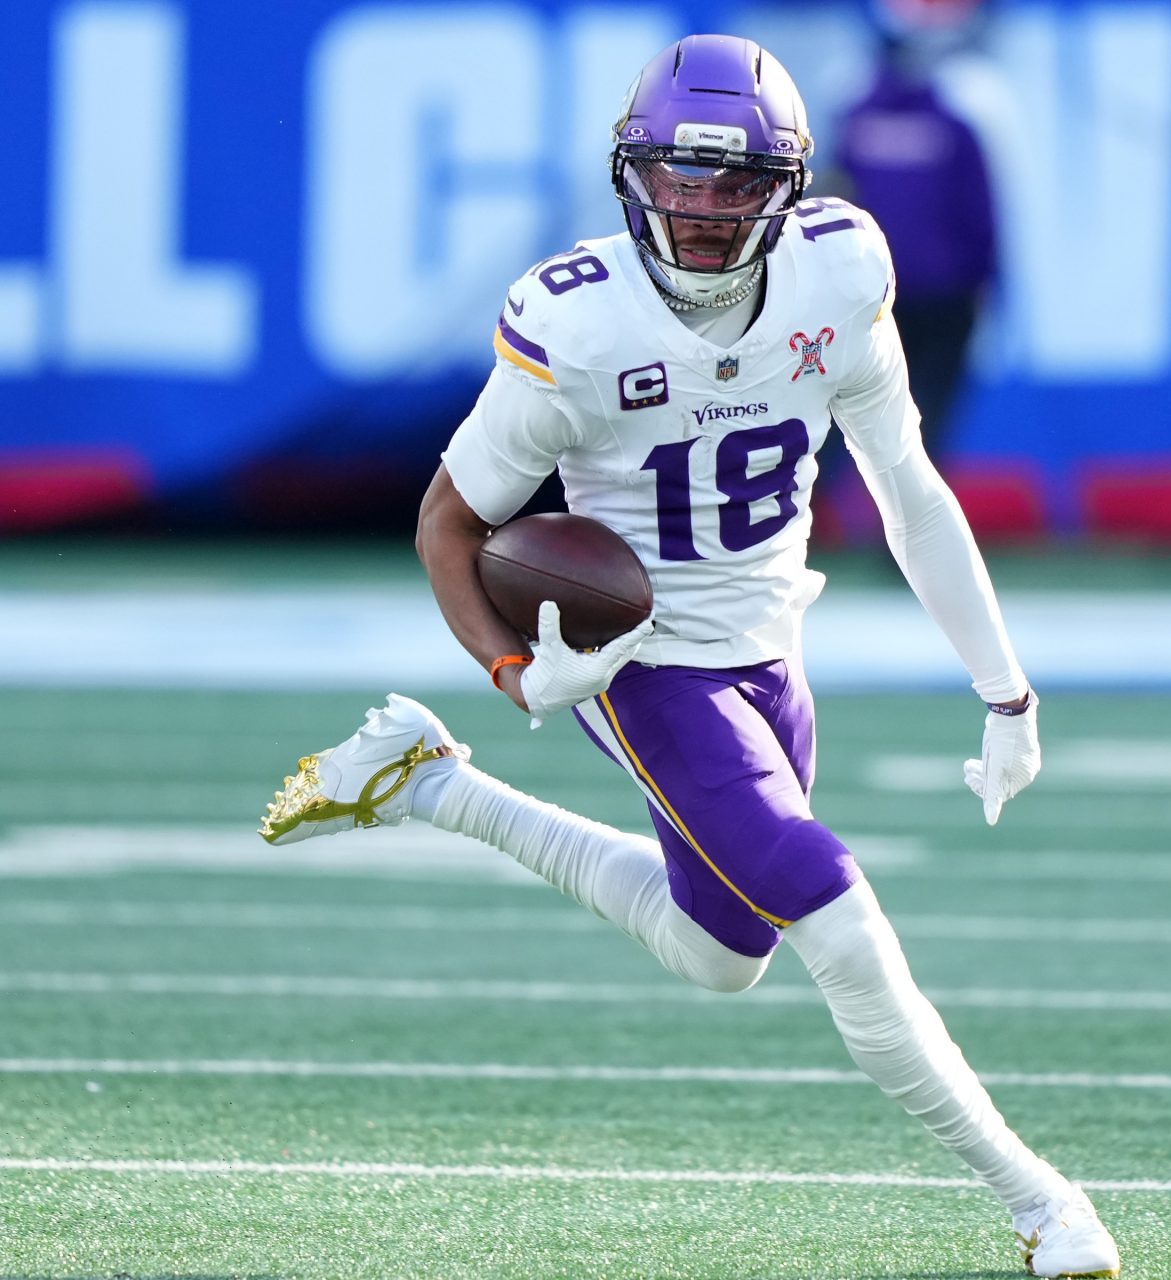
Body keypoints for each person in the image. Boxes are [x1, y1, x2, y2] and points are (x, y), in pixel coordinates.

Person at [257, 34, 1120, 1280]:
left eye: (733, 184)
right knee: (834, 911)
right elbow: (450, 521)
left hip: (771, 639)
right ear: (630, 173)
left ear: (788, 186)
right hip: (643, 651)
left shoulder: (839, 272)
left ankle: (432, 783)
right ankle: (1042, 1199)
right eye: (679, 177)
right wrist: (514, 668)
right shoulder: (578, 319)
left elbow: (911, 491)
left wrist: (1005, 686)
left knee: (726, 953)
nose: (703, 211)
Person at [837, 34, 1000, 461]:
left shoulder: (855, 125)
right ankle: (910, 518)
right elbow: (977, 212)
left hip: (876, 297)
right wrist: (986, 281)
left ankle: (830, 516)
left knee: (854, 413)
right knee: (929, 420)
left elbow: (831, 211)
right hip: (946, 297)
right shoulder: (952, 127)